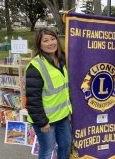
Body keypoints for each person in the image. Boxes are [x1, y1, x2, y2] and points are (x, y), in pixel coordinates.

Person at [26, 28, 72, 159]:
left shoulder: (62, 60)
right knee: (47, 150)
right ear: (39, 44)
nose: (51, 43)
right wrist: (42, 122)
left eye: (53, 39)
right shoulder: (36, 66)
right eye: (45, 40)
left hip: (62, 116)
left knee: (66, 145)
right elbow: (32, 100)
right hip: (46, 121)